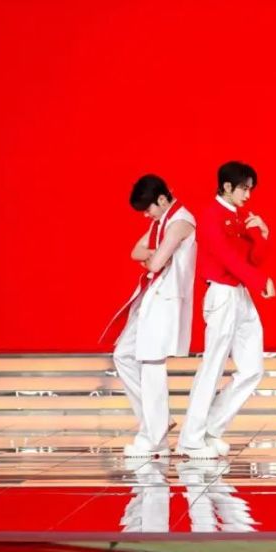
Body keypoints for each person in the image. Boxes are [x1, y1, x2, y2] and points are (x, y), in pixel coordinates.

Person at [176, 161, 275, 459]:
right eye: (244, 188)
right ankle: (191, 439)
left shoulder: (240, 216)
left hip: (240, 293)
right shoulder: (210, 215)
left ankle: (210, 430)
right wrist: (260, 281)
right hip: (222, 293)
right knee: (213, 365)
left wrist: (262, 233)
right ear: (227, 186)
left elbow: (253, 258)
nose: (248, 195)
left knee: (253, 368)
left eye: (250, 189)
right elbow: (226, 257)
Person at [105, 175, 196, 459]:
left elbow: (153, 263)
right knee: (123, 354)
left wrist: (152, 257)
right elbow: (136, 253)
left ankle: (154, 439)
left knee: (152, 365)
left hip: (166, 299)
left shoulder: (180, 222)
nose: (147, 215)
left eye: (148, 209)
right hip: (152, 297)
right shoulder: (161, 223)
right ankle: (160, 420)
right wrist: (154, 256)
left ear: (162, 199)